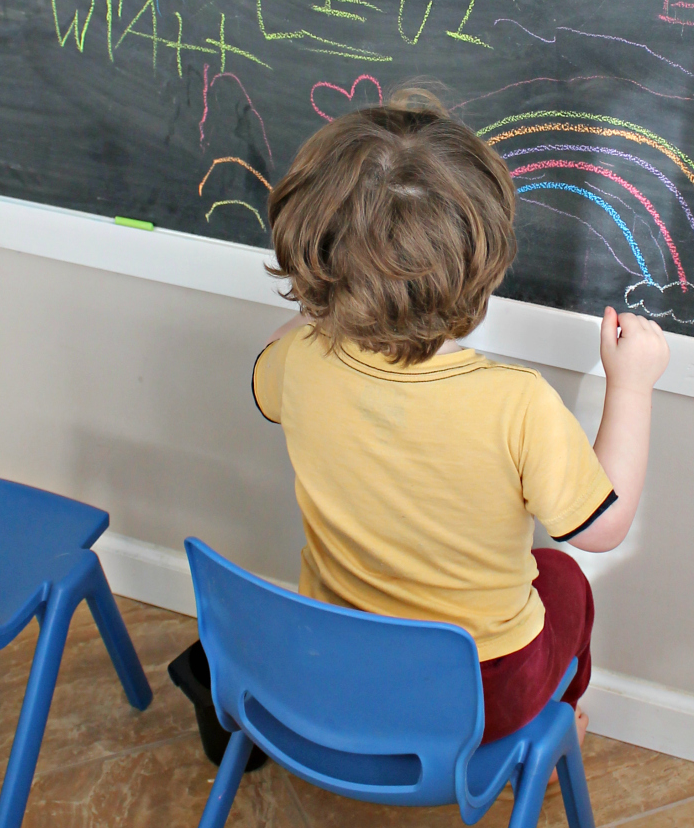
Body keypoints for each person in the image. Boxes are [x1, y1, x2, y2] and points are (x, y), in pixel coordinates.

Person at [172, 88, 668, 761]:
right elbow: (602, 528)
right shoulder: (516, 404)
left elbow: (266, 363)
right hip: (477, 697)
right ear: (484, 262)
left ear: (315, 260)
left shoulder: (299, 363)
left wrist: (325, 303)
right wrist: (631, 385)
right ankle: (556, 730)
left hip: (334, 671)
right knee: (565, 581)